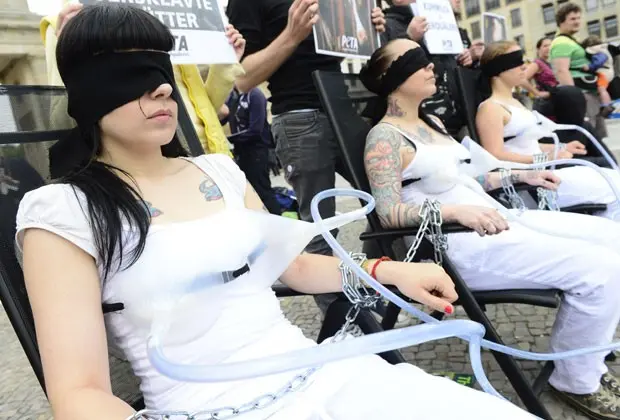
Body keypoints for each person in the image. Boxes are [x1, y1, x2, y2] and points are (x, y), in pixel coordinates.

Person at [15, 5, 539, 419]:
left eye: (161, 68)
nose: (158, 87)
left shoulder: (218, 172)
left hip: (322, 372)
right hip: (210, 405)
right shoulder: (63, 212)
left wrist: (389, 269)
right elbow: (78, 394)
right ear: (86, 90)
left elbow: (294, 267)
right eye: (130, 72)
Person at [361, 38, 620, 420]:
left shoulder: (430, 123)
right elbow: (387, 213)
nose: (431, 66)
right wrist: (456, 211)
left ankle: (588, 356)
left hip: (501, 223)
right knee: (603, 270)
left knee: (613, 237)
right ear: (391, 77)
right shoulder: (385, 137)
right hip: (458, 246)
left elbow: (470, 177)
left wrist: (522, 174)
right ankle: (576, 380)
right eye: (417, 61)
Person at [225, 0, 385, 258]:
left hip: (342, 107)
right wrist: (291, 35)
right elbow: (242, 79)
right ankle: (334, 298)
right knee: (320, 226)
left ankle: (382, 278)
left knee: (385, 202)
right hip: (299, 117)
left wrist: (367, 29)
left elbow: (330, 51)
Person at [41, 2, 245, 156]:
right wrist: (72, 53)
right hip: (143, 164)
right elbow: (63, 120)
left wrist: (225, 65)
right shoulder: (68, 20)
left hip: (210, 155)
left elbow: (204, 110)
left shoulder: (169, 19)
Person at [476, 41, 620, 221]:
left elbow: (527, 144)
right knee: (613, 187)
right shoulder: (490, 108)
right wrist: (546, 158)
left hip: (547, 171)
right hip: (534, 182)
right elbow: (495, 155)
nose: (524, 66)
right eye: (515, 62)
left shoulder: (515, 103)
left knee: (613, 177)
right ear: (499, 69)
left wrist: (560, 147)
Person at [382, 0, 474, 138]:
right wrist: (409, 37)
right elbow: (385, 72)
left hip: (458, 117)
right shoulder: (386, 25)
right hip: (421, 122)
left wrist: (465, 58)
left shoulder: (438, 19)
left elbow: (448, 67)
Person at [550, 2, 608, 139]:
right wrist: (576, 98)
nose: (577, 22)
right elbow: (562, 71)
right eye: (572, 19)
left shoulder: (570, 40)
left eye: (578, 18)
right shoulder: (561, 43)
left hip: (588, 93)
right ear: (561, 22)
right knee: (589, 135)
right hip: (582, 94)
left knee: (596, 136)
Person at [224, 87, 282, 215]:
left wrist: (230, 140)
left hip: (257, 151)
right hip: (241, 152)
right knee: (248, 193)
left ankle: (278, 222)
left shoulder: (255, 95)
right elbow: (223, 117)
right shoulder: (234, 96)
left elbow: (256, 130)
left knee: (262, 191)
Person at [581, 35, 615, 117]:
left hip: (604, 73)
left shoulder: (599, 51)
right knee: (600, 90)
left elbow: (599, 61)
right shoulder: (604, 49)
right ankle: (604, 104)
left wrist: (589, 67)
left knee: (601, 89)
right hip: (607, 72)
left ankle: (607, 106)